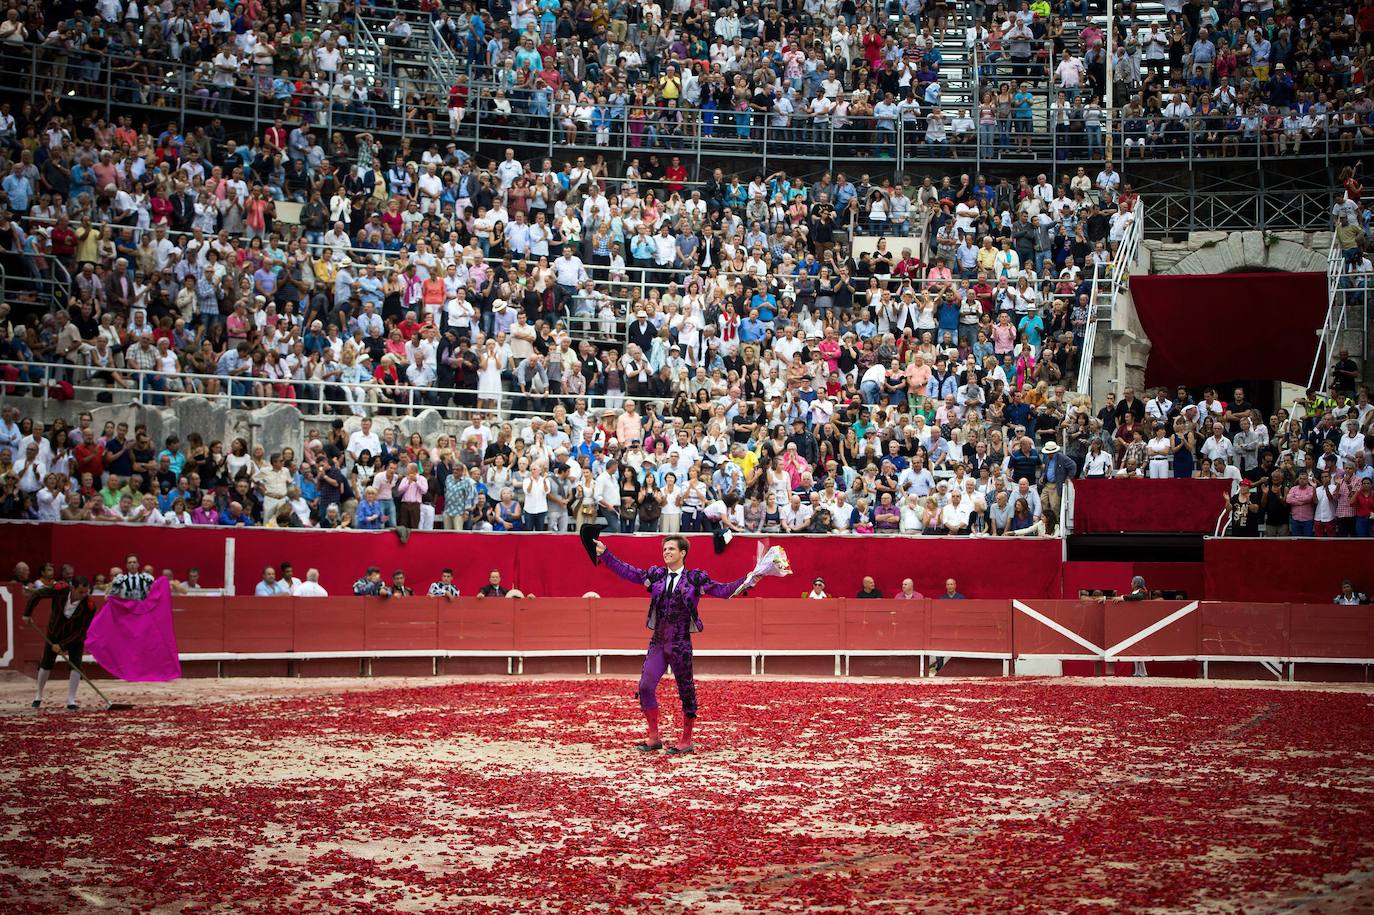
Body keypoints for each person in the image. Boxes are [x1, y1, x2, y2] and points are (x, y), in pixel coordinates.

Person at [594, 535, 750, 755]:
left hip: (680, 643)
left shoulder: (695, 580)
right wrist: (606, 555)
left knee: (686, 691)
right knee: (645, 686)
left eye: (671, 549)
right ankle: (654, 737)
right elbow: (629, 572)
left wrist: (749, 580)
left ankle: (686, 740)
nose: (666, 552)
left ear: (683, 552)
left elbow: (723, 590)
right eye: (664, 548)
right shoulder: (656, 576)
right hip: (658, 641)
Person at [24, 576, 97, 710]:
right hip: (55, 633)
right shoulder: (60, 590)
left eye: (86, 592)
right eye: (81, 592)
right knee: (46, 663)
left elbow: (81, 632)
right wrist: (27, 614)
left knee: (76, 665)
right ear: (72, 588)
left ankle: (71, 700)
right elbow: (38, 594)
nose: (84, 595)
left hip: (74, 638)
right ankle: (38, 695)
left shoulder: (89, 605)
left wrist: (63, 646)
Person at [1118, 575, 1150, 677]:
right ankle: (1137, 671)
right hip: (1134, 622)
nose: (1131, 584)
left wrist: (1122, 597)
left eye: (1132, 582)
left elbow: (1137, 598)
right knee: (1135, 647)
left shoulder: (1142, 593)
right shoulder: (1134, 593)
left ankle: (1143, 672)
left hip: (1140, 622)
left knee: (1139, 647)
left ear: (1136, 584)